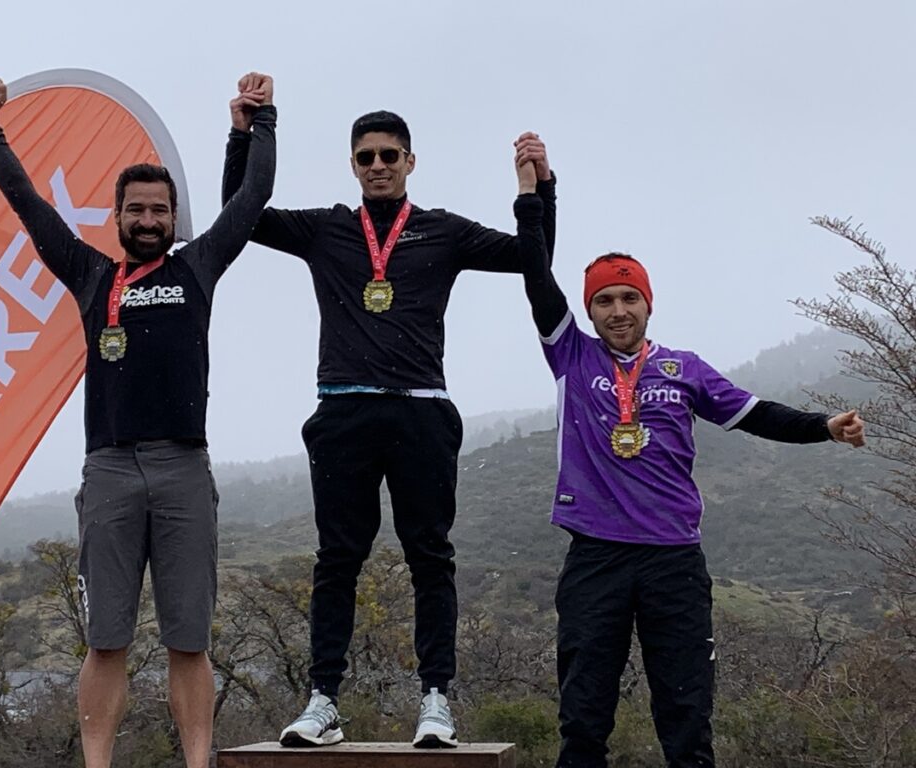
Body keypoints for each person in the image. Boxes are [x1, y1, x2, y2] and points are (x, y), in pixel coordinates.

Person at [222, 76, 557, 748]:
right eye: (366, 157)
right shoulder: (325, 231)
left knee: (429, 556)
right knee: (336, 559)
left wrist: (538, 189)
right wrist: (248, 131)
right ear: (353, 164)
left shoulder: (444, 232)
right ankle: (323, 702)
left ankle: (435, 699)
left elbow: (533, 258)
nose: (378, 165)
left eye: (390, 155)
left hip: (422, 412)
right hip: (343, 412)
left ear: (410, 161)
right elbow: (242, 215)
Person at [510, 152, 866, 768]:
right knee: (584, 717)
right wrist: (538, 195)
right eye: (605, 302)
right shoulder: (572, 356)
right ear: (589, 312)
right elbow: (536, 275)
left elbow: (754, 413)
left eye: (629, 298)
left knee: (686, 717)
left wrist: (823, 427)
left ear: (649, 304)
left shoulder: (684, 367)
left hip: (674, 558)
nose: (618, 311)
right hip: (596, 555)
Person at [0, 73, 277, 768]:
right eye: (135, 209)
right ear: (116, 216)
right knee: (106, 638)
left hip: (183, 470)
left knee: (189, 639)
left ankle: (200, 762)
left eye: (158, 210)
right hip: (108, 470)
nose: (146, 219)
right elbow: (27, 203)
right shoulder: (89, 276)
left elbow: (253, 197)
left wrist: (262, 122)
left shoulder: (197, 268)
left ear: (173, 218)